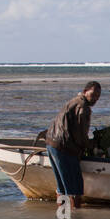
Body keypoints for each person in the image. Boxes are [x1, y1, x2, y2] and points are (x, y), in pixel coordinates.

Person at [45, 81, 101, 210]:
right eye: (93, 94)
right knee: (75, 189)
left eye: (98, 96)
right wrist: (93, 145)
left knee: (62, 187)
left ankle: (63, 216)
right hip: (64, 148)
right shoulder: (83, 108)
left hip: (51, 143)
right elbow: (80, 137)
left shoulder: (74, 101)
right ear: (85, 91)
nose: (95, 98)